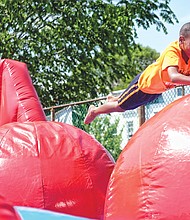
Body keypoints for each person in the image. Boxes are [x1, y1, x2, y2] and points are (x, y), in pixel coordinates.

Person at [84, 22, 190, 124]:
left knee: (128, 103)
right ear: (181, 40)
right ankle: (94, 111)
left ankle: (114, 98)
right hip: (143, 85)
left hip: (156, 91)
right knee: (120, 107)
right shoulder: (173, 52)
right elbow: (174, 77)